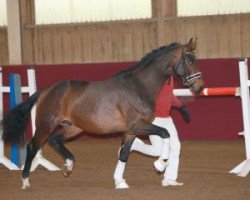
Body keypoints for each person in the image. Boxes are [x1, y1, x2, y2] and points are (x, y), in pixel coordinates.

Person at [130, 76, 190, 187]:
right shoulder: (154, 76)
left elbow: (169, 95)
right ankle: (134, 145)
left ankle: (169, 179)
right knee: (158, 151)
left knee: (176, 146)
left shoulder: (170, 77)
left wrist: (181, 107)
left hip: (167, 119)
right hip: (154, 119)